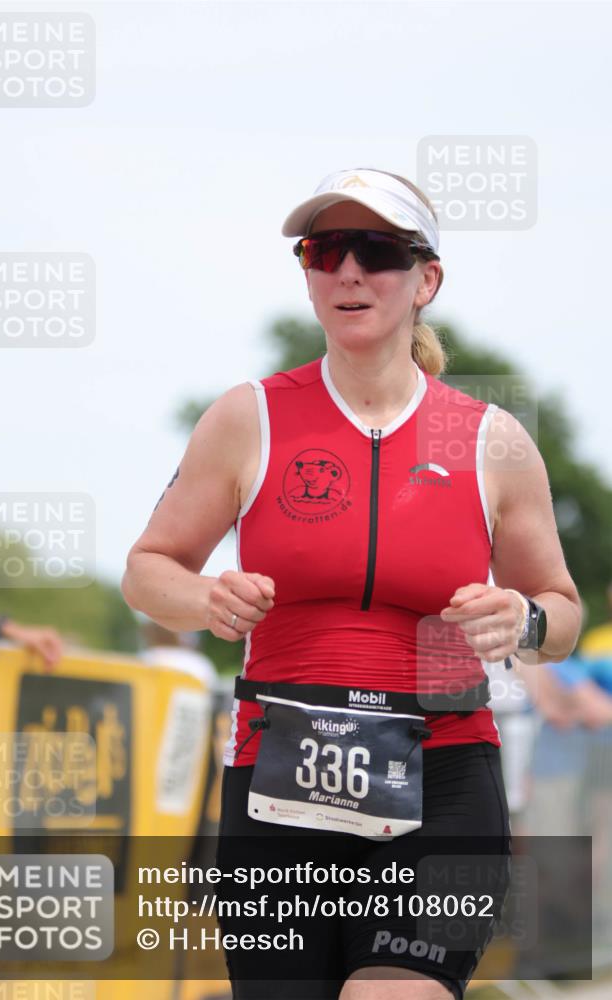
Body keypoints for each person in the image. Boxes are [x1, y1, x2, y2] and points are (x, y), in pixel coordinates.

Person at [122, 168, 582, 1000]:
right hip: (279, 786)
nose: (348, 273)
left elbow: (564, 613)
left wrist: (520, 618)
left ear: (426, 279)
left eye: (376, 250)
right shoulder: (248, 416)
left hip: (442, 776)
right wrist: (205, 599)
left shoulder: (491, 440)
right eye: (325, 250)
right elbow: (147, 570)